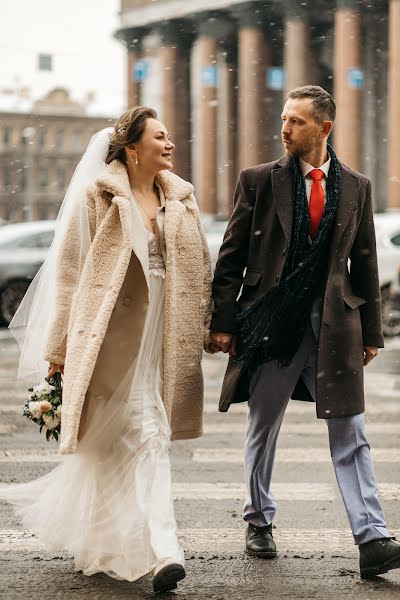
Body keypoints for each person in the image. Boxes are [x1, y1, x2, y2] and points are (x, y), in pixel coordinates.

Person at [2, 107, 214, 593]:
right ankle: (165, 552)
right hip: (111, 335)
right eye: (160, 137)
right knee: (143, 431)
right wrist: (59, 351)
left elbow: (199, 265)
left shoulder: (180, 197)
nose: (170, 144)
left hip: (161, 331)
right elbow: (72, 275)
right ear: (133, 148)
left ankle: (113, 542)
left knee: (131, 437)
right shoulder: (99, 196)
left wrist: (207, 324)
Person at [210, 86, 400, 579]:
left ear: (324, 128)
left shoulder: (356, 186)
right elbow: (231, 258)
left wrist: (373, 332)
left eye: (296, 121)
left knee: (351, 432)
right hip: (273, 325)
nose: (285, 128)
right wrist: (224, 324)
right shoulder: (258, 181)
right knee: (264, 424)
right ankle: (258, 519)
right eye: (284, 119)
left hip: (336, 325)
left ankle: (372, 536)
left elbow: (365, 262)